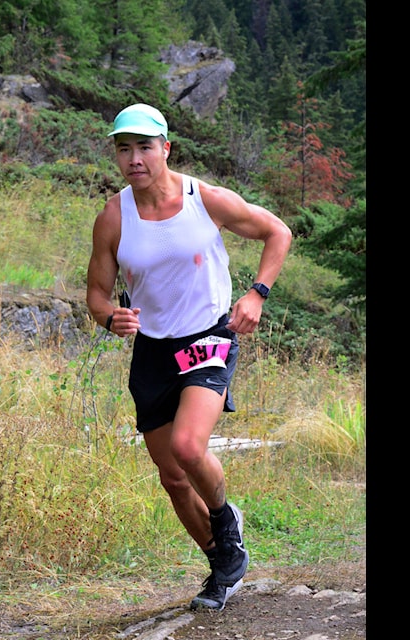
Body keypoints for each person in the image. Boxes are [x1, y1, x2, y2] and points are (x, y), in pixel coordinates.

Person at [86, 103, 293, 611]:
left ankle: (227, 522)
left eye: (144, 147)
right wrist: (110, 316)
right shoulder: (114, 217)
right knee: (173, 478)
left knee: (186, 445)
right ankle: (222, 562)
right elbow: (95, 293)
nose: (134, 158)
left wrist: (256, 294)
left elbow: (278, 232)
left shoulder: (205, 199)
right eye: (123, 148)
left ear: (166, 149)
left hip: (208, 337)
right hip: (152, 351)